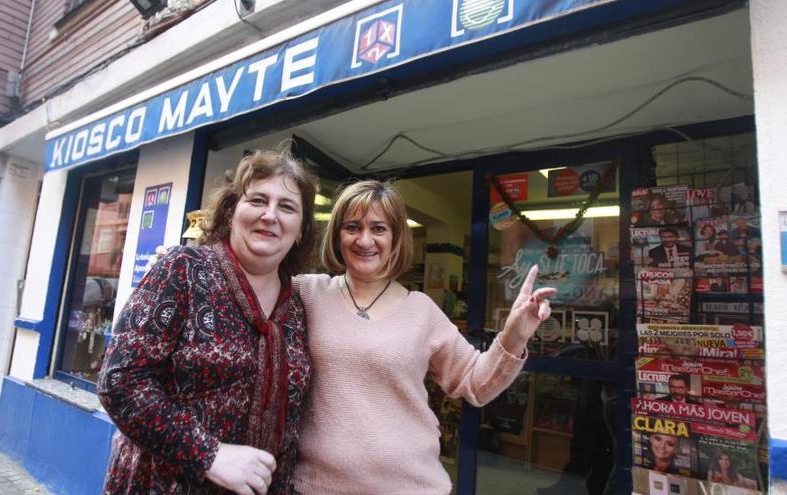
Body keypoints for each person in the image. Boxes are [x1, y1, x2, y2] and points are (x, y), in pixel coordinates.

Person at [291, 180, 556, 494]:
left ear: (395, 238)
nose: (365, 240)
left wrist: (514, 336)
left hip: (409, 486)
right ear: (337, 234)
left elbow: (475, 383)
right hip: (317, 486)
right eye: (352, 227)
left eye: (378, 228)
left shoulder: (421, 311)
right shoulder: (306, 293)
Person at [97, 149, 318, 495]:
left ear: (301, 230)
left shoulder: (299, 306)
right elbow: (120, 382)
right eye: (258, 199)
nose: (270, 215)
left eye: (287, 206)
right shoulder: (182, 269)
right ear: (231, 212)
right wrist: (208, 454)